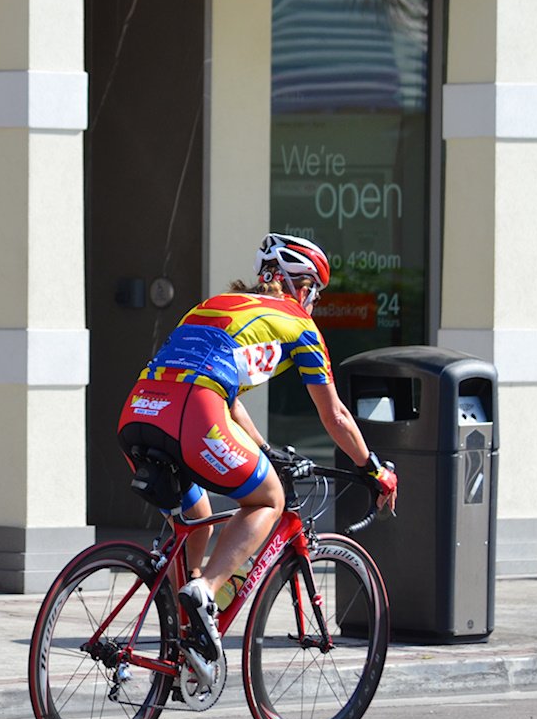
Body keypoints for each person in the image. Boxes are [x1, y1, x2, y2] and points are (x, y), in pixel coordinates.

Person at [116, 233, 399, 685]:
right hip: (193, 410)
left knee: (196, 519)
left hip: (138, 411)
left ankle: (183, 645)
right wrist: (372, 468)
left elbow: (227, 397)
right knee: (269, 498)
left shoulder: (216, 305)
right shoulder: (299, 324)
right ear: (299, 285)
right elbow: (335, 415)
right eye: (314, 291)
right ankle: (207, 591)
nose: (313, 301)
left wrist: (263, 449)